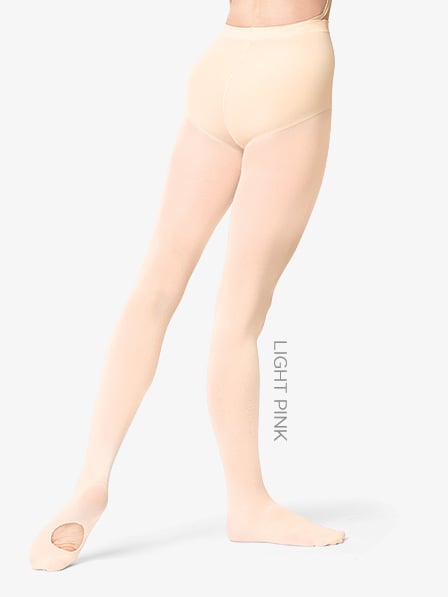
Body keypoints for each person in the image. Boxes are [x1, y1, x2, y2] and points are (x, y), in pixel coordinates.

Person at [29, 0, 345, 571]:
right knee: (239, 313)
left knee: (155, 285)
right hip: (293, 65)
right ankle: (248, 504)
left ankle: (90, 482)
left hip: (221, 65)